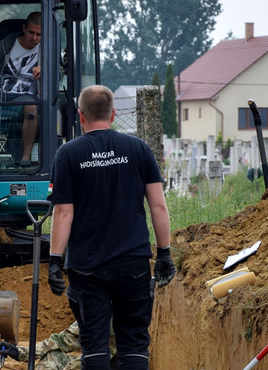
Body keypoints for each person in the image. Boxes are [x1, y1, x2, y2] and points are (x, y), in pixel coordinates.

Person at [47, 85, 176, 370]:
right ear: (113, 114)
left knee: (94, 345)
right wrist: (164, 252)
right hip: (134, 263)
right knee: (133, 343)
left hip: (87, 267)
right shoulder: (139, 149)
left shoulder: (68, 154)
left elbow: (64, 213)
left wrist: (56, 261)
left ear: (80, 116)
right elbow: (158, 206)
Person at [0, 11, 42, 165]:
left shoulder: (47, 50)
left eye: (39, 35)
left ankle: (25, 158)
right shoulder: (5, 46)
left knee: (32, 109)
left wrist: (45, 71)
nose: (34, 38)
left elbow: (58, 74)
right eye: (31, 32)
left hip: (24, 96)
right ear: (23, 28)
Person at [0, 321, 116, 370]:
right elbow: (63, 339)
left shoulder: (128, 311)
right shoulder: (101, 309)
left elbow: (96, 359)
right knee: (52, 358)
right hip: (93, 362)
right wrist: (21, 352)